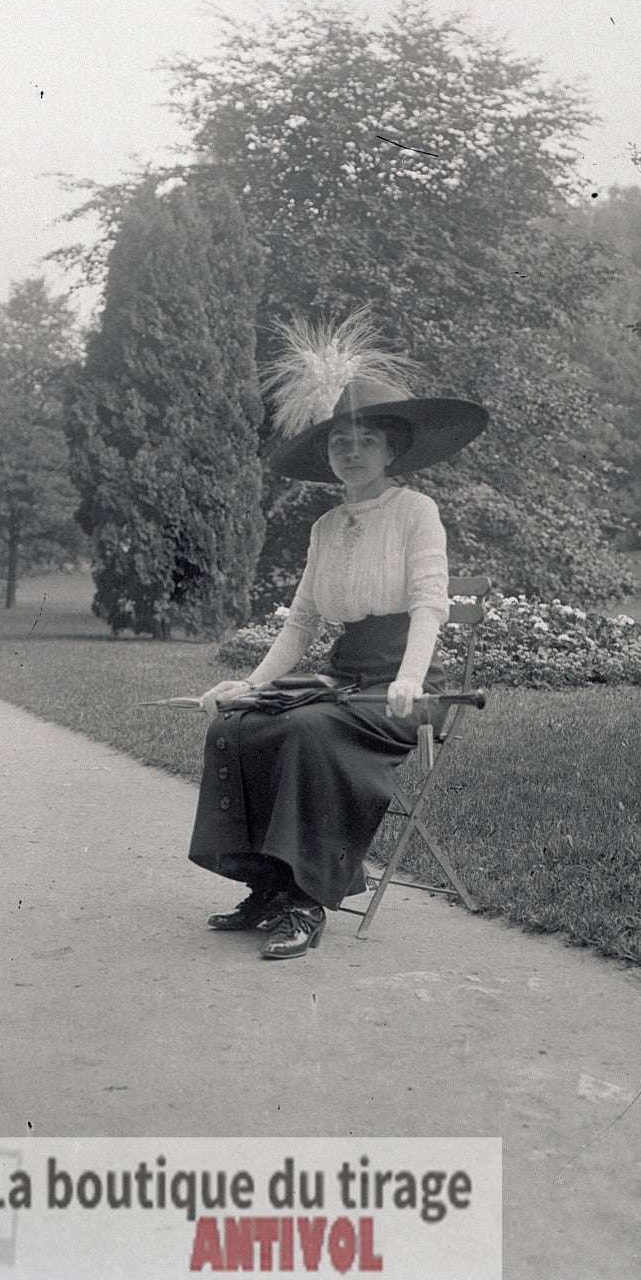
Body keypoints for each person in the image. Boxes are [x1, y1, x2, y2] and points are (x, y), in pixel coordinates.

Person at [188, 313, 488, 960]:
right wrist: (250, 684)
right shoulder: (325, 527)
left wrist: (411, 679)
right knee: (236, 725)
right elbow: (301, 622)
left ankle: (305, 900)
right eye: (338, 442)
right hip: (339, 680)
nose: (350, 452)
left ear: (392, 450)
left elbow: (430, 607)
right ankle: (267, 884)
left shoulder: (416, 513)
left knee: (303, 732)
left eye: (366, 441)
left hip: (396, 694)